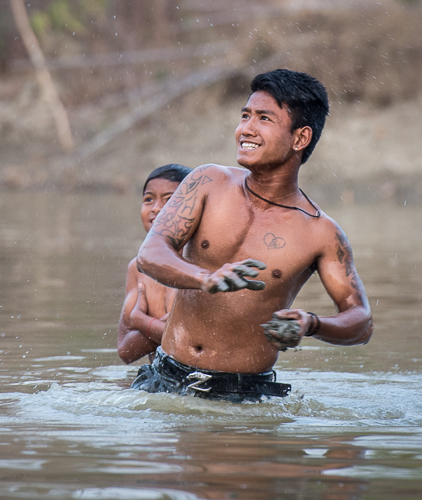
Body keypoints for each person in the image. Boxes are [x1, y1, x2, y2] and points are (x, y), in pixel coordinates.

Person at [131, 69, 373, 402]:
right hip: (164, 377)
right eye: (245, 115)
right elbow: (150, 254)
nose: (245, 129)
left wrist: (311, 324)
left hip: (245, 395)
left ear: (300, 138)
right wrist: (206, 277)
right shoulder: (207, 182)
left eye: (263, 119)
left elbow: (361, 322)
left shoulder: (321, 233)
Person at [118, 164, 193, 364]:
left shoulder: (200, 266)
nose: (156, 208)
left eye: (169, 200)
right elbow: (125, 350)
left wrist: (141, 321)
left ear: (195, 209)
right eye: (148, 199)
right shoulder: (138, 268)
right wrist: (161, 327)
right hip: (160, 381)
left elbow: (191, 343)